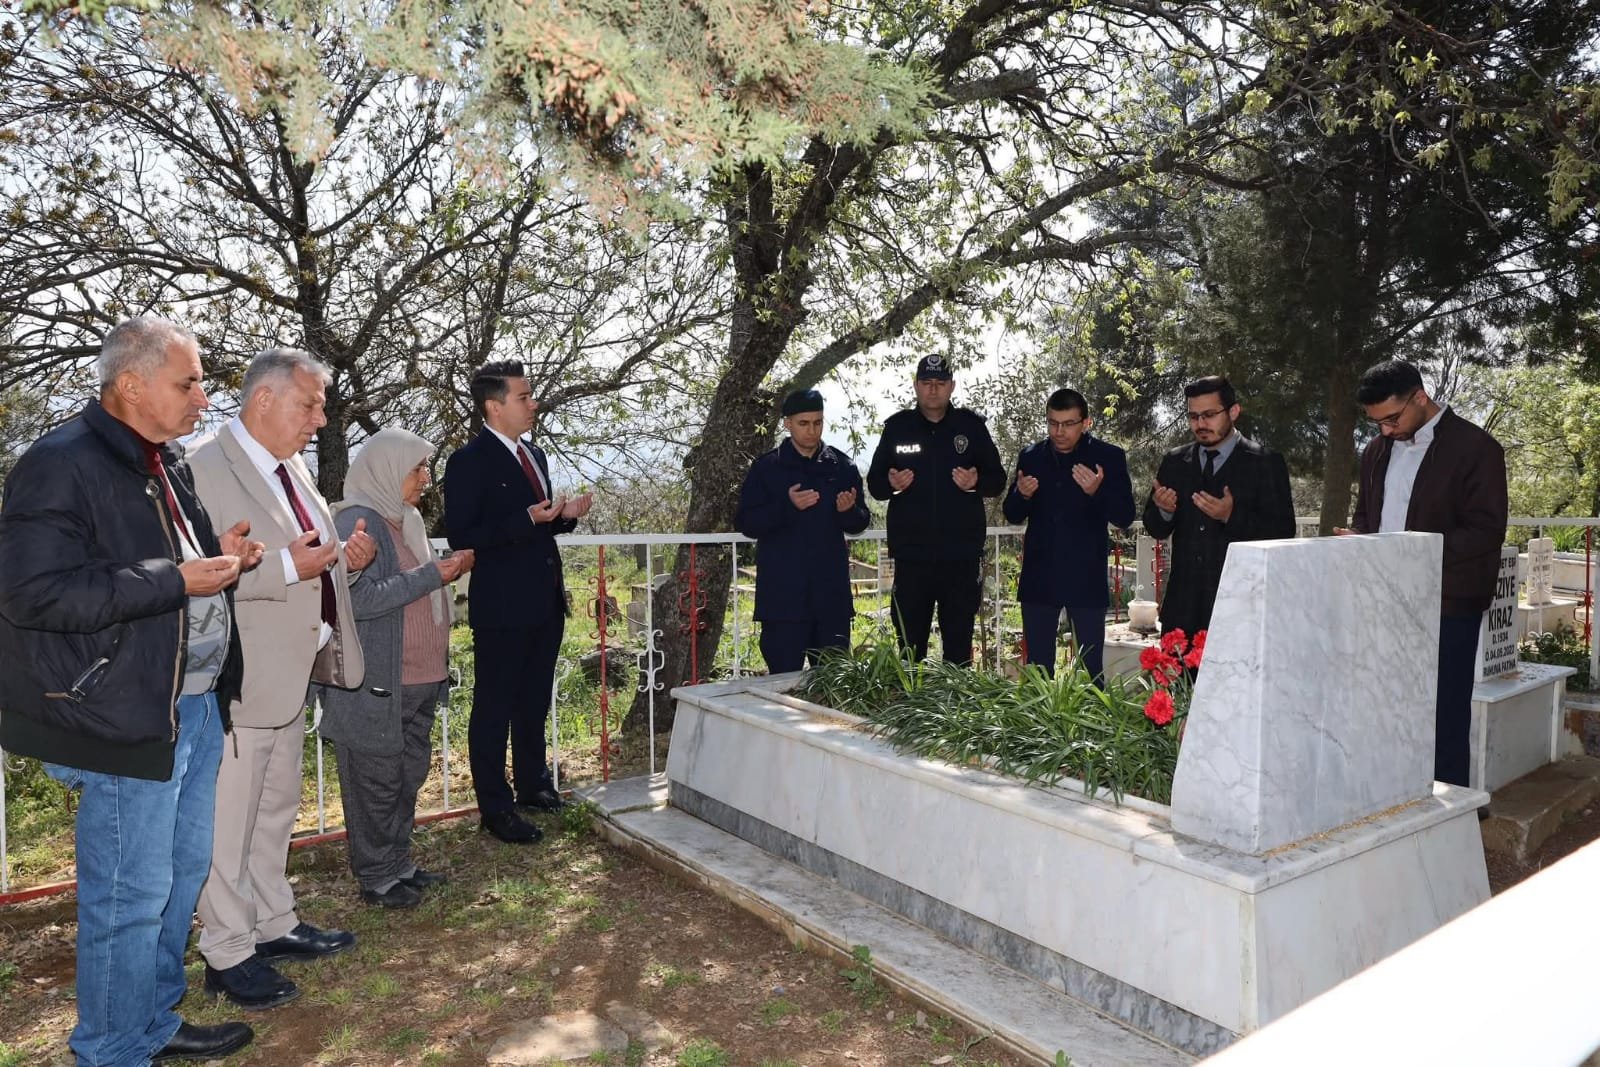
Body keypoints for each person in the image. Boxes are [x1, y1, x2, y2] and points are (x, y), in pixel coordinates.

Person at [0, 316, 264, 1064]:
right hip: (123, 712)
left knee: (177, 878)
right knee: (127, 895)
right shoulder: (60, 462)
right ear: (130, 383)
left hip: (193, 702)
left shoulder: (163, 459)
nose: (203, 396)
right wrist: (176, 577)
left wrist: (221, 556)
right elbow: (32, 593)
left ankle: (151, 1019)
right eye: (188, 381)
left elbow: (172, 565)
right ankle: (111, 1048)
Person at [189, 348, 376, 1010]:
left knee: (272, 814)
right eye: (311, 403)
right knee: (227, 822)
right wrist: (292, 569)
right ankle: (228, 950)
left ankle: (274, 922)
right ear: (263, 401)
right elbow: (200, 578)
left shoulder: (289, 465)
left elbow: (305, 562)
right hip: (239, 680)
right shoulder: (206, 467)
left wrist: (344, 564)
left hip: (290, 675)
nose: (321, 419)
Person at [320, 429, 476, 907]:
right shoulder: (358, 521)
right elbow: (357, 599)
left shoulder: (404, 519)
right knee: (375, 783)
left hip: (418, 679)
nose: (426, 478)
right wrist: (436, 574)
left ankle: (398, 864)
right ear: (388, 469)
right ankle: (376, 877)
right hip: (378, 685)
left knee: (406, 776)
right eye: (418, 468)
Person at [443, 361, 593, 845]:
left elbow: (538, 526)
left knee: (533, 701)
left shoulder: (537, 455)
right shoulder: (468, 461)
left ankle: (533, 785)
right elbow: (464, 534)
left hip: (544, 601)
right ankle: (496, 807)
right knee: (494, 706)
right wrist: (527, 518)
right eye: (524, 397)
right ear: (494, 406)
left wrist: (562, 517)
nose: (533, 405)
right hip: (502, 606)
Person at [1348, 360, 1507, 787]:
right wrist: (1357, 537)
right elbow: (1367, 516)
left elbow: (1485, 531)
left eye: (1392, 419)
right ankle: (1390, 800)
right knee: (1384, 706)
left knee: (1443, 714)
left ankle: (1452, 818)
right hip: (1383, 600)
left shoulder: (1477, 448)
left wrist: (1412, 554)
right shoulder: (1376, 451)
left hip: (1448, 603)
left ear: (1420, 396)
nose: (1385, 430)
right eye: (1376, 422)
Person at [866, 354, 1005, 665]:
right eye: (926, 383)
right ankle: (911, 710)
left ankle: (956, 710)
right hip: (912, 558)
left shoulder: (971, 427)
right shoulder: (898, 428)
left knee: (958, 646)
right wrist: (890, 482)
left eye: (940, 384)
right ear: (916, 386)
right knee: (909, 646)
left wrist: (976, 481)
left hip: (960, 558)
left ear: (951, 386)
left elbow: (997, 480)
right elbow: (875, 484)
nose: (933, 390)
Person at [1142, 375, 1296, 638]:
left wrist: (1231, 516)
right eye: (1193, 416)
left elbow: (1283, 531)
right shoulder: (1175, 461)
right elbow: (1154, 526)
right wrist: (1164, 510)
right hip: (1182, 611)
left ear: (1233, 411)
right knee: (1177, 681)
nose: (1200, 424)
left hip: (1241, 611)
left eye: (1209, 414)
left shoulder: (1264, 462)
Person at [1002, 388, 1136, 682]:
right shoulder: (1031, 456)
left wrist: (1097, 491)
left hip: (1086, 577)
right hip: (1040, 578)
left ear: (1086, 423)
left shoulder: (1108, 457)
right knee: (1038, 672)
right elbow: (1011, 513)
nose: (1059, 431)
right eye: (1052, 423)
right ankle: (1039, 727)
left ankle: (1092, 726)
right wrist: (1021, 496)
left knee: (1090, 673)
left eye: (1068, 423)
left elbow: (1125, 516)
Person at [735, 388, 871, 672]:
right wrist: (787, 506)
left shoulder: (841, 466)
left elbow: (860, 521)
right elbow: (746, 523)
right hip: (783, 602)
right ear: (787, 423)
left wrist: (848, 511)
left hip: (830, 600)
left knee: (834, 685)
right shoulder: (767, 468)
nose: (812, 430)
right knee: (783, 687)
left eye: (818, 422)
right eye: (804, 423)